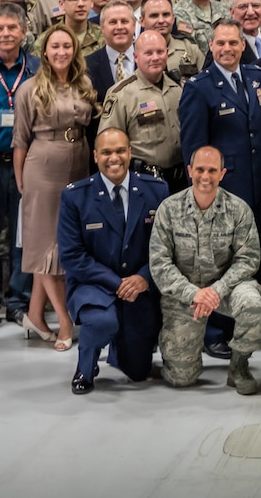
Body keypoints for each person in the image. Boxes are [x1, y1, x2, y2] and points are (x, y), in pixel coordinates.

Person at [151, 146, 261, 393]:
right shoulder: (169, 209)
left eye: (212, 170)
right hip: (185, 294)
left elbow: (248, 258)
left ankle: (239, 365)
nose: (206, 176)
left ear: (222, 173)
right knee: (181, 378)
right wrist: (194, 293)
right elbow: (160, 264)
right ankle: (180, 356)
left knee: (251, 303)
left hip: (226, 287)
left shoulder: (238, 209)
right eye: (200, 170)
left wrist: (216, 290)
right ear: (189, 171)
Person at [59, 128, 167, 394]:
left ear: (130, 153)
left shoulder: (157, 190)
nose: (114, 158)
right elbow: (73, 256)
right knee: (102, 321)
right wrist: (116, 283)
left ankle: (123, 346)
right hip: (93, 284)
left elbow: (166, 248)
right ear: (95, 156)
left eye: (120, 151)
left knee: (138, 372)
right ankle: (86, 366)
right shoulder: (75, 197)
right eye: (106, 152)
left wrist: (144, 277)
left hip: (139, 286)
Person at [15, 25, 99, 349]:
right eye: (55, 47)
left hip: (78, 162)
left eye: (67, 46)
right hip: (43, 166)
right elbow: (20, 139)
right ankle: (65, 320)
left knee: (60, 244)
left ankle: (35, 315)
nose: (61, 52)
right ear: (45, 52)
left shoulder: (84, 84)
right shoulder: (30, 88)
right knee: (45, 247)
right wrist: (21, 178)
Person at [100, 30, 184, 192]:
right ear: (136, 57)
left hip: (180, 181)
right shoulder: (121, 94)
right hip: (144, 182)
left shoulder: (179, 89)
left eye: (160, 52)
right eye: (148, 53)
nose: (155, 58)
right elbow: (108, 145)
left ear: (167, 53)